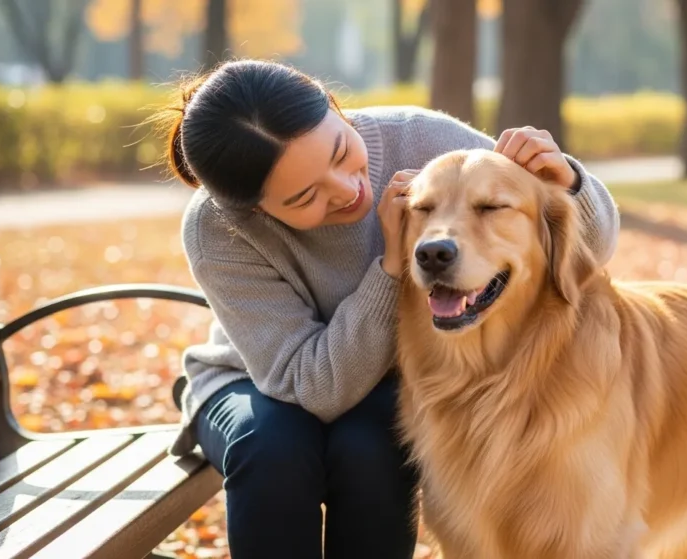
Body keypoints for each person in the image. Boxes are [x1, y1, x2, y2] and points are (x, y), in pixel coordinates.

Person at [155, 59, 621, 559]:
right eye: (306, 195)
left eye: (340, 152)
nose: (347, 189)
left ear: (332, 105)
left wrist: (569, 180)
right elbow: (310, 385)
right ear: (253, 211)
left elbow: (574, 248)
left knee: (374, 443)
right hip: (259, 383)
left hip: (389, 385)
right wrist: (391, 266)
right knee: (273, 449)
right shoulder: (216, 228)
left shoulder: (424, 140)